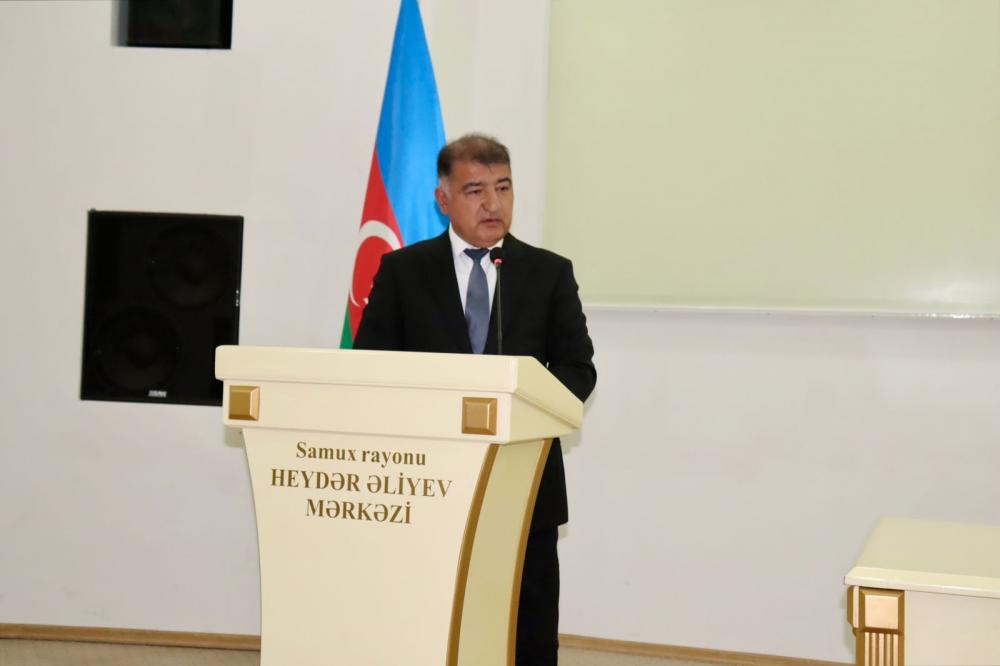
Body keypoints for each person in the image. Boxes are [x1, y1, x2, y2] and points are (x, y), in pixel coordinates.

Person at [354, 133, 596, 665]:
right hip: (427, 476)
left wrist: (523, 410)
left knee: (527, 625)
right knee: (431, 618)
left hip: (524, 475)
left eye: (503, 188)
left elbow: (579, 369)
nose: (493, 203)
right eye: (475, 190)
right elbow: (371, 368)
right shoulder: (403, 271)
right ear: (443, 199)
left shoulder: (549, 273)